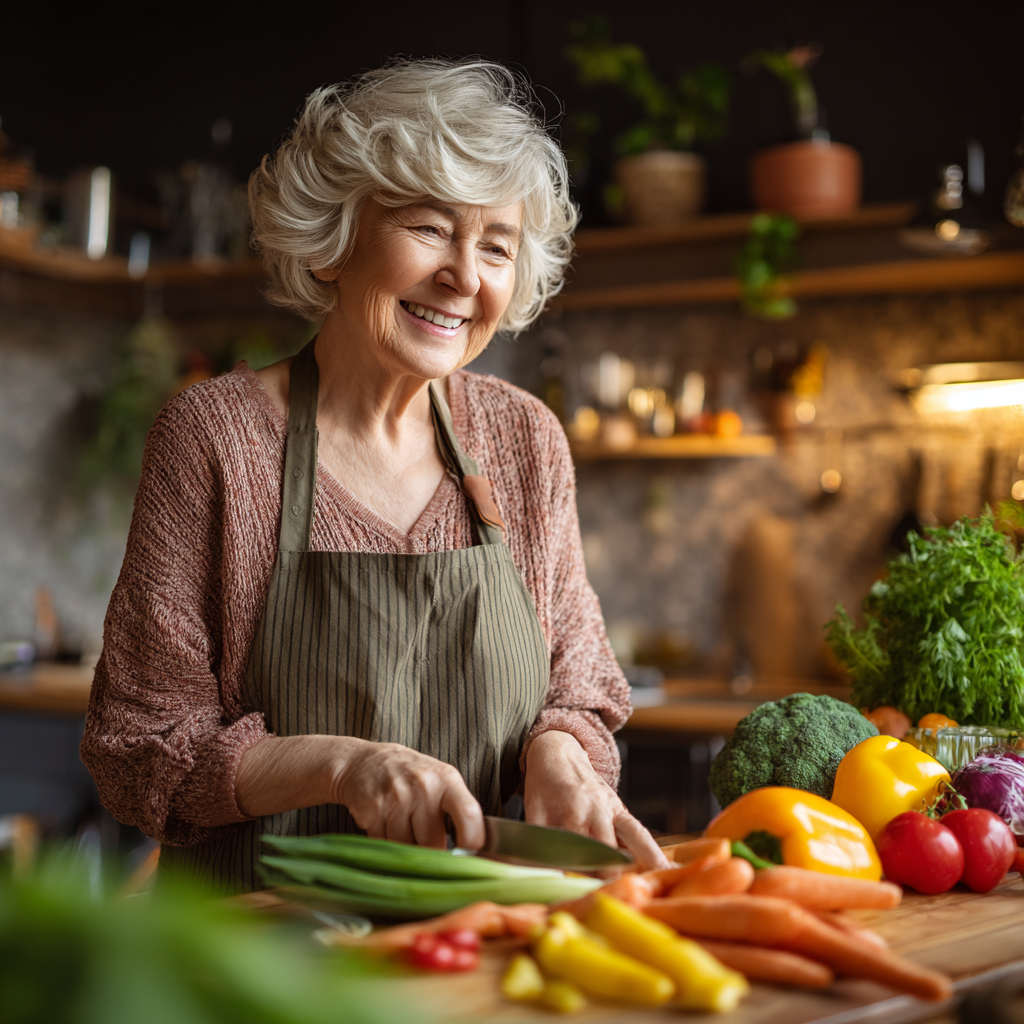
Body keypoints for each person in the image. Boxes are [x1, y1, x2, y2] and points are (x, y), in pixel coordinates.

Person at [81, 59, 668, 891]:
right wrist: (344, 767)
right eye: (430, 229)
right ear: (334, 242)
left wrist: (561, 753)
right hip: (258, 962)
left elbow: (578, 686)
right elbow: (141, 750)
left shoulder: (523, 439)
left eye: (496, 246)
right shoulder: (215, 438)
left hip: (477, 947)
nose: (465, 277)